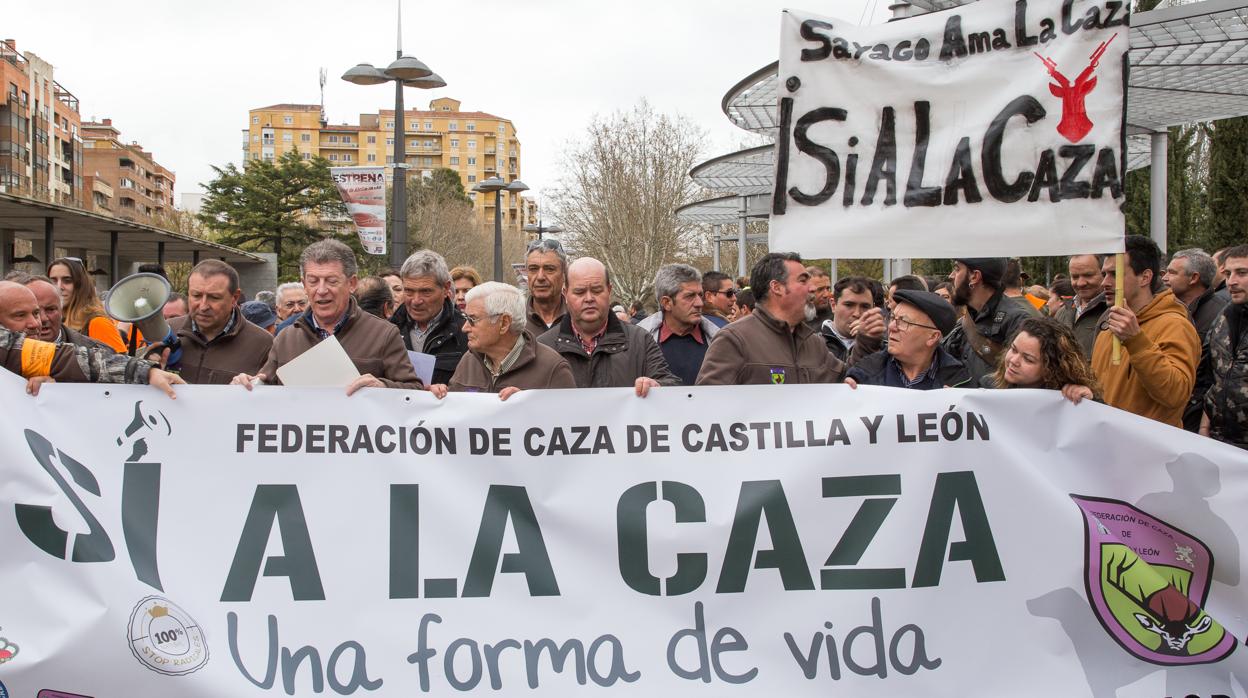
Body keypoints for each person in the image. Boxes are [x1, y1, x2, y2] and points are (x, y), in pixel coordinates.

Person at [231, 239, 421, 394]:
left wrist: (383, 387)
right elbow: (266, 386)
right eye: (313, 281)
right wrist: (250, 385)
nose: (321, 290)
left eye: (331, 281)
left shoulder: (384, 334)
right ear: (304, 284)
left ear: (352, 283)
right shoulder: (286, 338)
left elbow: (414, 392)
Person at [0, 280, 183, 397]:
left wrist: (146, 371)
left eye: (36, 313)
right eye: (19, 315)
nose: (36, 323)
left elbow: (71, 360)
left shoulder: (17, 349)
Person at [1092, 235, 1200, 428]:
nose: (1105, 283)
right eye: (1104, 274)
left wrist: (1136, 341)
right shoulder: (1107, 330)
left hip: (1150, 450)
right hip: (1110, 446)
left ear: (1145, 277)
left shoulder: (1175, 326)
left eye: (1115, 274)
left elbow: (1175, 394)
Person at [698, 253, 852, 385]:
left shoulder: (812, 343)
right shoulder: (734, 340)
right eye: (803, 281)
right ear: (777, 287)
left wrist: (866, 341)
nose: (812, 288)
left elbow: (848, 378)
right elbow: (707, 404)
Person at [538, 258, 678, 395]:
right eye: (579, 292)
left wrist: (658, 386)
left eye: (597, 290)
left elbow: (672, 387)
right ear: (565, 294)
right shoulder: (543, 347)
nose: (589, 298)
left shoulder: (640, 341)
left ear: (609, 290)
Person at [428, 281, 575, 399]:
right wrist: (440, 397)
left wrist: (530, 407)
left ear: (504, 323)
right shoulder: (469, 361)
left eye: (472, 319)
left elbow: (568, 426)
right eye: (466, 318)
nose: (464, 328)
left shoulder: (553, 369)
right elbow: (455, 419)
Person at [157, 260, 274, 385]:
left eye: (214, 298)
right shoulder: (167, 331)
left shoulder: (263, 344)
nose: (203, 306)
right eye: (196, 295)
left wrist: (253, 385)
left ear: (235, 298)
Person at [845, 289, 974, 389]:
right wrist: (846, 392)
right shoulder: (864, 374)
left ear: (933, 337)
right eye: (893, 318)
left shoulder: (959, 381)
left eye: (903, 322)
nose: (891, 327)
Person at [1165, 249, 1229, 432]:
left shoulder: (1220, 314)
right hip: (1175, 409)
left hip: (1197, 413)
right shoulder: (1166, 310)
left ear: (1193, 278)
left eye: (1172, 273)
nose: (1165, 278)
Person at [942, 257, 1032, 386]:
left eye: (957, 269)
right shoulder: (965, 320)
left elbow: (1021, 380)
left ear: (974, 277)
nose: (951, 276)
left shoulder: (1017, 320)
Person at [391, 250, 468, 386]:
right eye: (409, 291)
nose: (416, 300)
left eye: (425, 291)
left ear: (446, 289)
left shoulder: (466, 333)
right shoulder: (388, 331)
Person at [636, 264, 720, 386]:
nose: (699, 303)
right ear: (667, 303)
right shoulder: (638, 341)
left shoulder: (720, 338)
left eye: (700, 295)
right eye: (689, 296)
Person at [1201, 245, 1248, 448]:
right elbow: (1212, 378)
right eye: (1228, 274)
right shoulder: (1223, 318)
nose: (1232, 281)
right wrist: (1204, 427)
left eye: (1242, 273)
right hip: (1222, 442)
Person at [992, 316, 1101, 404]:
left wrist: (1090, 402)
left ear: (1052, 368)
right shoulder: (988, 386)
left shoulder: (1070, 399)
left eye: (1028, 359)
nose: (1013, 360)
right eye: (1014, 349)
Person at [46, 256, 126, 353]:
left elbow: (120, 364)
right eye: (53, 281)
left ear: (81, 285)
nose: (59, 287)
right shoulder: (51, 320)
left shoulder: (98, 323)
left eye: (67, 280)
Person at [1053, 254, 1108, 360]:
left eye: (1088, 275)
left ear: (1104, 274)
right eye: (1075, 277)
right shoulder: (1062, 313)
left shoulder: (1114, 312)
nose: (1081, 283)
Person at [820, 276, 877, 362]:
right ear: (833, 305)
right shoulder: (813, 345)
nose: (857, 314)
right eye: (849, 305)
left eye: (865, 306)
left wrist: (869, 343)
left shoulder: (885, 348)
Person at [525, 239, 568, 332]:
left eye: (549, 269)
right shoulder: (513, 322)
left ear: (564, 273)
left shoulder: (578, 319)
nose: (540, 277)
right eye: (533, 269)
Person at [805, 266, 834, 331]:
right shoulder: (793, 316)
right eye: (820, 289)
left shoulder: (836, 317)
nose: (826, 294)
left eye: (828, 288)